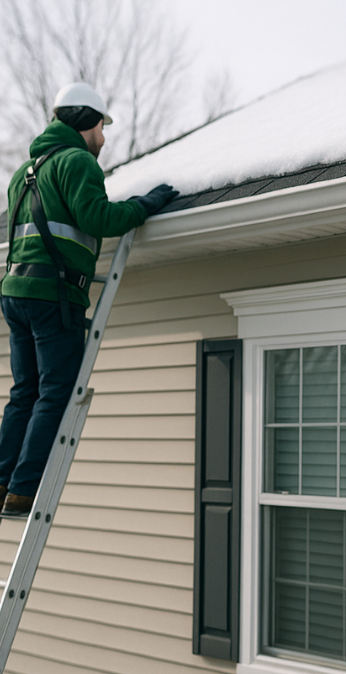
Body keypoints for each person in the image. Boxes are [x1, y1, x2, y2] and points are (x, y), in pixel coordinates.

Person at [1, 82, 177, 517]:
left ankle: (3, 481)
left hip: (15, 293)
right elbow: (99, 218)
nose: (104, 136)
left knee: (25, 392)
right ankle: (24, 490)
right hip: (51, 295)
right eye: (102, 126)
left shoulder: (26, 171)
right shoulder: (77, 162)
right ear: (87, 121)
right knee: (56, 391)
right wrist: (145, 204)